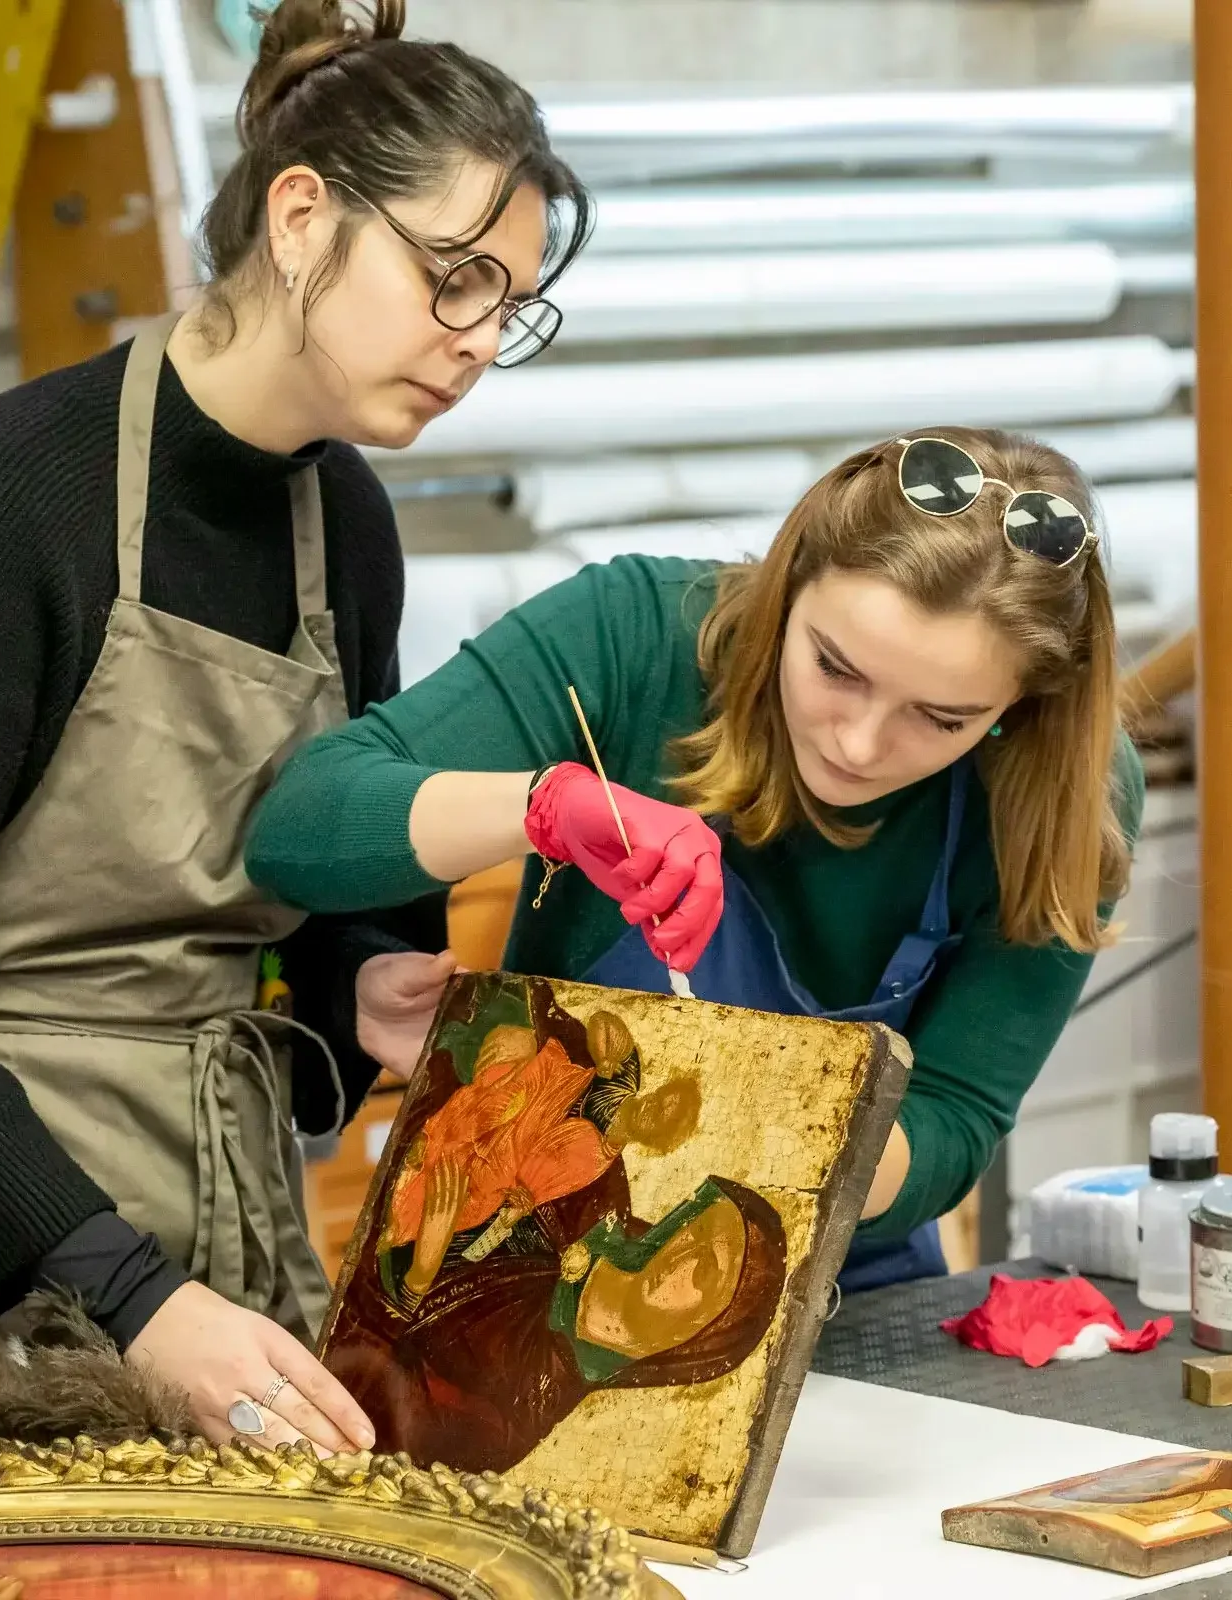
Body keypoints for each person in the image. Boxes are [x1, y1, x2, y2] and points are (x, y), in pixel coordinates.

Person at [0, 0, 588, 1452]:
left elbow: (322, 873)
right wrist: (132, 1298)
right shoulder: (1, 503)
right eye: (452, 280)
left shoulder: (343, 521)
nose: (476, 343)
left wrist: (355, 986)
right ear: (301, 218)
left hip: (210, 1245)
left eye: (509, 308)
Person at [245, 428, 1144, 1290]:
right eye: (836, 668)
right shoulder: (632, 633)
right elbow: (297, 831)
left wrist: (749, 1142)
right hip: (531, 1254)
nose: (863, 744)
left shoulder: (1067, 790)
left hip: (837, 1284)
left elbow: (952, 1116)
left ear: (1019, 710)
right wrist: (542, 807)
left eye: (941, 719)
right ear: (787, 587)